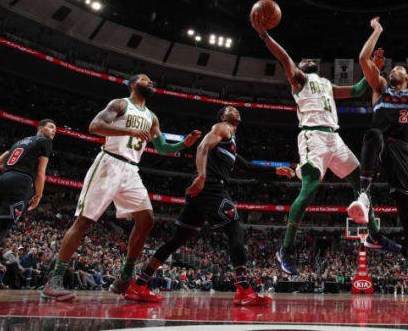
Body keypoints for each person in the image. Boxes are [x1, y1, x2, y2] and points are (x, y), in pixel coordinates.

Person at [250, 11, 398, 276]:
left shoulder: (327, 84)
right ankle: (286, 249)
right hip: (312, 137)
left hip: (334, 137)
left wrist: (375, 68)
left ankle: (374, 236)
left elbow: (357, 90)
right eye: (303, 59)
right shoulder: (300, 80)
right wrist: (263, 34)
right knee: (309, 191)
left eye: (309, 59)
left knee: (363, 183)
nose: (307, 59)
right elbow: (284, 58)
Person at [41, 74, 201, 301]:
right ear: (133, 84)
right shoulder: (120, 104)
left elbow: (163, 147)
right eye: (146, 80)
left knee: (146, 220)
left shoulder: (152, 117)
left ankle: (125, 278)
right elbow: (95, 126)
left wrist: (182, 144)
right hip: (109, 163)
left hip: (131, 170)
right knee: (84, 222)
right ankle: (54, 279)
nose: (151, 82)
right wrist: (129, 131)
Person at [124, 106, 292, 305]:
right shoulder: (222, 127)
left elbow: (247, 166)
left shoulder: (230, 143)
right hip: (210, 188)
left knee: (177, 239)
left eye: (237, 109)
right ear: (222, 116)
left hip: (201, 193)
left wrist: (275, 171)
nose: (235, 110)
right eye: (230, 109)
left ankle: (139, 284)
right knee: (235, 228)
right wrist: (202, 176)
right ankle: (244, 289)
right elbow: (202, 147)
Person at [348, 17, 408, 308]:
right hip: (379, 146)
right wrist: (376, 31)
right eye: (393, 68)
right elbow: (364, 58)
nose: (395, 70)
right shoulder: (379, 87)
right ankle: (364, 195)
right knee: (373, 133)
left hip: (401, 152)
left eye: (400, 69)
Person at [0, 119, 56, 266]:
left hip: (2, 180)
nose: (54, 131)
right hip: (20, 182)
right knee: (2, 229)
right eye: (51, 127)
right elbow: (41, 172)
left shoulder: (19, 143)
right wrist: (39, 194)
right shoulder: (45, 141)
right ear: (40, 128)